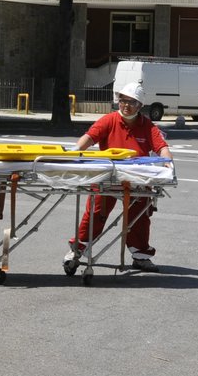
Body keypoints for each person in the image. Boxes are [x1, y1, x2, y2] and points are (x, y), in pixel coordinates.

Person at [65, 79, 171, 272]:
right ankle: (77, 250)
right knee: (95, 215)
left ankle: (140, 255)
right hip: (108, 177)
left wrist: (168, 163)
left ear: (140, 105)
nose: (126, 105)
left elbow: (162, 147)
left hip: (136, 179)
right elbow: (90, 137)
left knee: (140, 216)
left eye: (132, 102)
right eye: (123, 100)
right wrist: (74, 151)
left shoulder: (147, 126)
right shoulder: (109, 120)